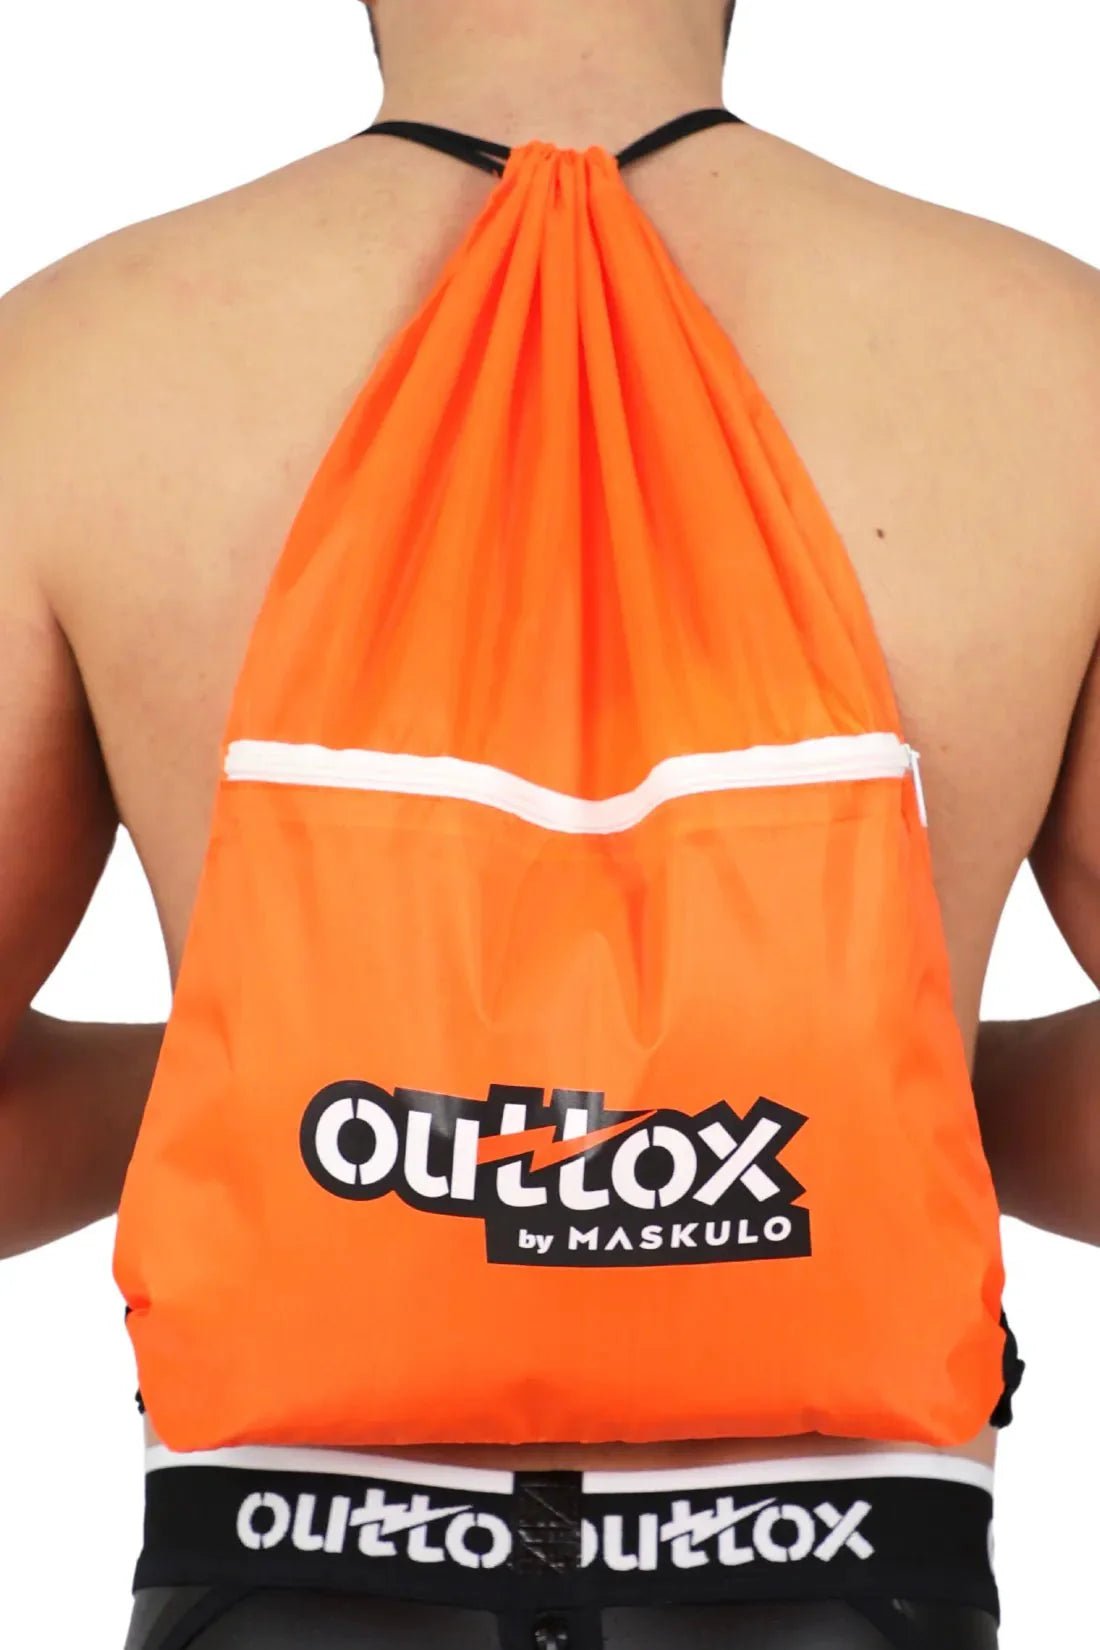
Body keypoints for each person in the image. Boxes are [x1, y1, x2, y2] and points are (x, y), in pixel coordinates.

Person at [1, 1, 1097, 1646]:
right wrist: (858, 1101)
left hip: (286, 1569)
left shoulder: (76, 365)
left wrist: (302, 1095)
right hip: (850, 1571)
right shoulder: (1054, 366)